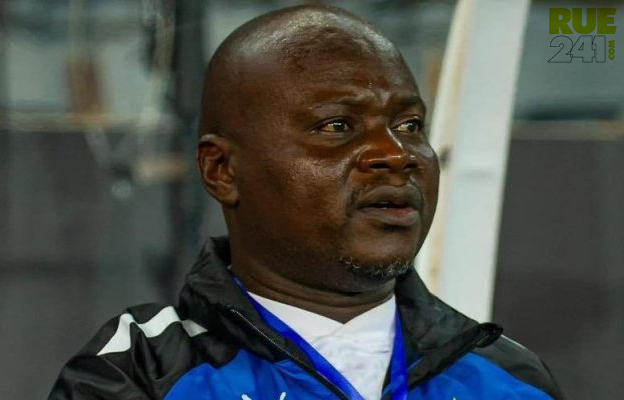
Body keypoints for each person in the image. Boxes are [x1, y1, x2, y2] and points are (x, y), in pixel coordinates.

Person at [48, 5, 566, 400]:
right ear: (222, 170)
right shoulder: (140, 372)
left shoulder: (510, 379)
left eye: (410, 125)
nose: (396, 154)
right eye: (337, 126)